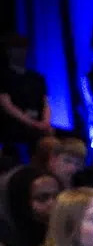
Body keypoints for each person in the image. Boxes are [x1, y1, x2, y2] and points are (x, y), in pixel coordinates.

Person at [0, 32, 52, 160]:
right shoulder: (3, 76)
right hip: (13, 126)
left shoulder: (37, 78)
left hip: (38, 125)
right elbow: (6, 105)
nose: (21, 53)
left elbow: (45, 103)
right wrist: (32, 123)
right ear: (9, 52)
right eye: (17, 49)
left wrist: (45, 122)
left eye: (24, 49)